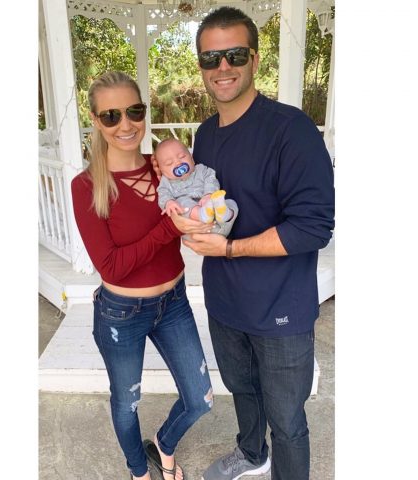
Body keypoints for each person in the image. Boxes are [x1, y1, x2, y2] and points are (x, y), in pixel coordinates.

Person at [154, 7, 335, 480]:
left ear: (254, 59)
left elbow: (313, 227)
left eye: (234, 55)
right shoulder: (205, 135)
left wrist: (231, 248)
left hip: (281, 309)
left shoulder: (290, 130)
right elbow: (197, 198)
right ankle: (252, 453)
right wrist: (183, 220)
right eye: (210, 58)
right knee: (242, 389)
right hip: (226, 302)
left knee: (288, 420)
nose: (222, 67)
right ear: (200, 66)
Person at [71, 71, 214, 480]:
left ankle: (163, 443)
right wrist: (170, 227)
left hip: (174, 302)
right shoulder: (87, 186)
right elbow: (111, 266)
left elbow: (199, 202)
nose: (125, 124)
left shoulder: (163, 168)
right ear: (96, 120)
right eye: (111, 115)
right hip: (121, 313)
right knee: (126, 402)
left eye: (134, 111)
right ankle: (139, 471)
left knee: (200, 398)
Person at [155, 138, 238, 236]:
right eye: (169, 163)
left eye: (182, 157)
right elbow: (163, 193)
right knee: (181, 203)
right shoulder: (166, 182)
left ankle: (225, 214)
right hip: (196, 228)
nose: (178, 163)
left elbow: (211, 179)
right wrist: (168, 202)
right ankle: (202, 214)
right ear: (162, 170)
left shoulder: (201, 170)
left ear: (192, 158)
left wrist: (208, 194)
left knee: (231, 202)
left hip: (221, 226)